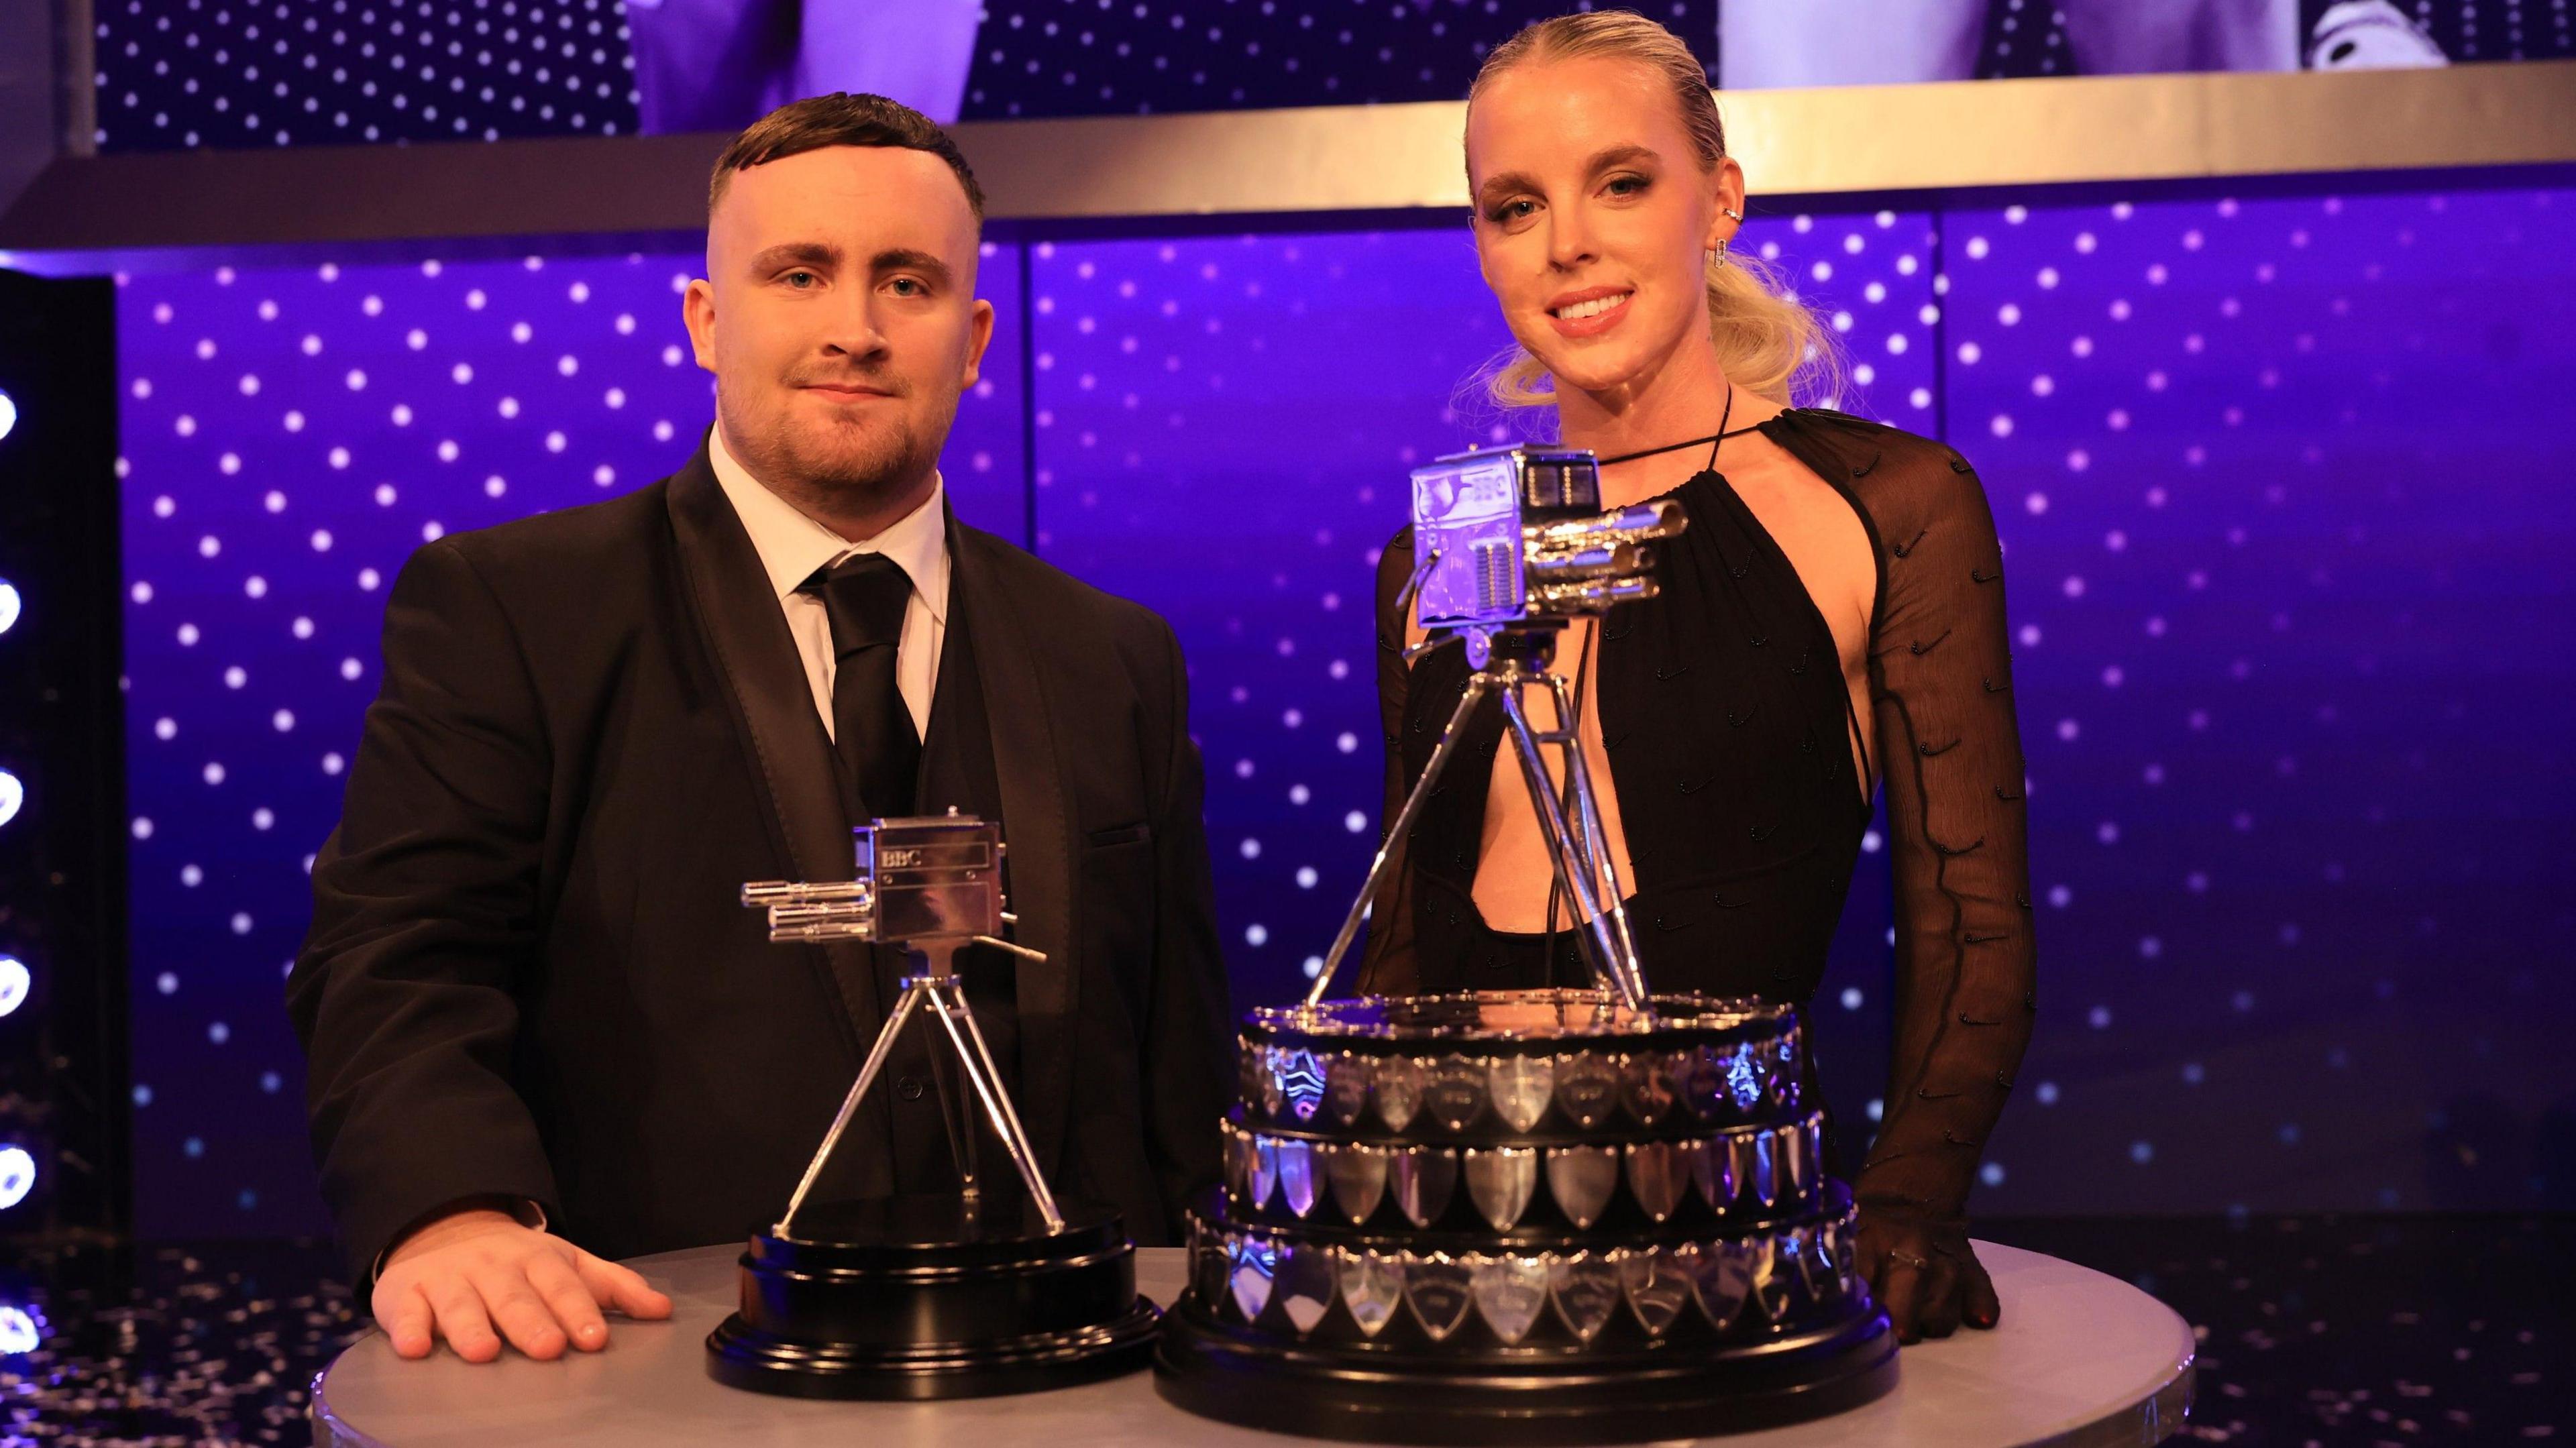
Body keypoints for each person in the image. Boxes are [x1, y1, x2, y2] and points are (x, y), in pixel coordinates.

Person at [287, 93, 1233, 1365]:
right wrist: (453, 1210)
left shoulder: (1114, 653)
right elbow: (394, 959)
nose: (855, 328)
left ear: (972, 336)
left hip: (1062, 1374)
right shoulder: (515, 608)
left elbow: (1178, 1064)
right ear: (707, 319)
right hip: (652, 1372)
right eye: (800, 273)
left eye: (908, 281)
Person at [1356, 13, 2035, 1345]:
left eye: (1623, 182)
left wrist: (1910, 1204)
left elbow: (1974, 921)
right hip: (1452, 1274)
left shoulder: (1886, 504)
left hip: (1736, 1262)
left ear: (1717, 198)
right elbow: (1403, 933)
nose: (1567, 244)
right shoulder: (1428, 557)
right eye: (1514, 206)